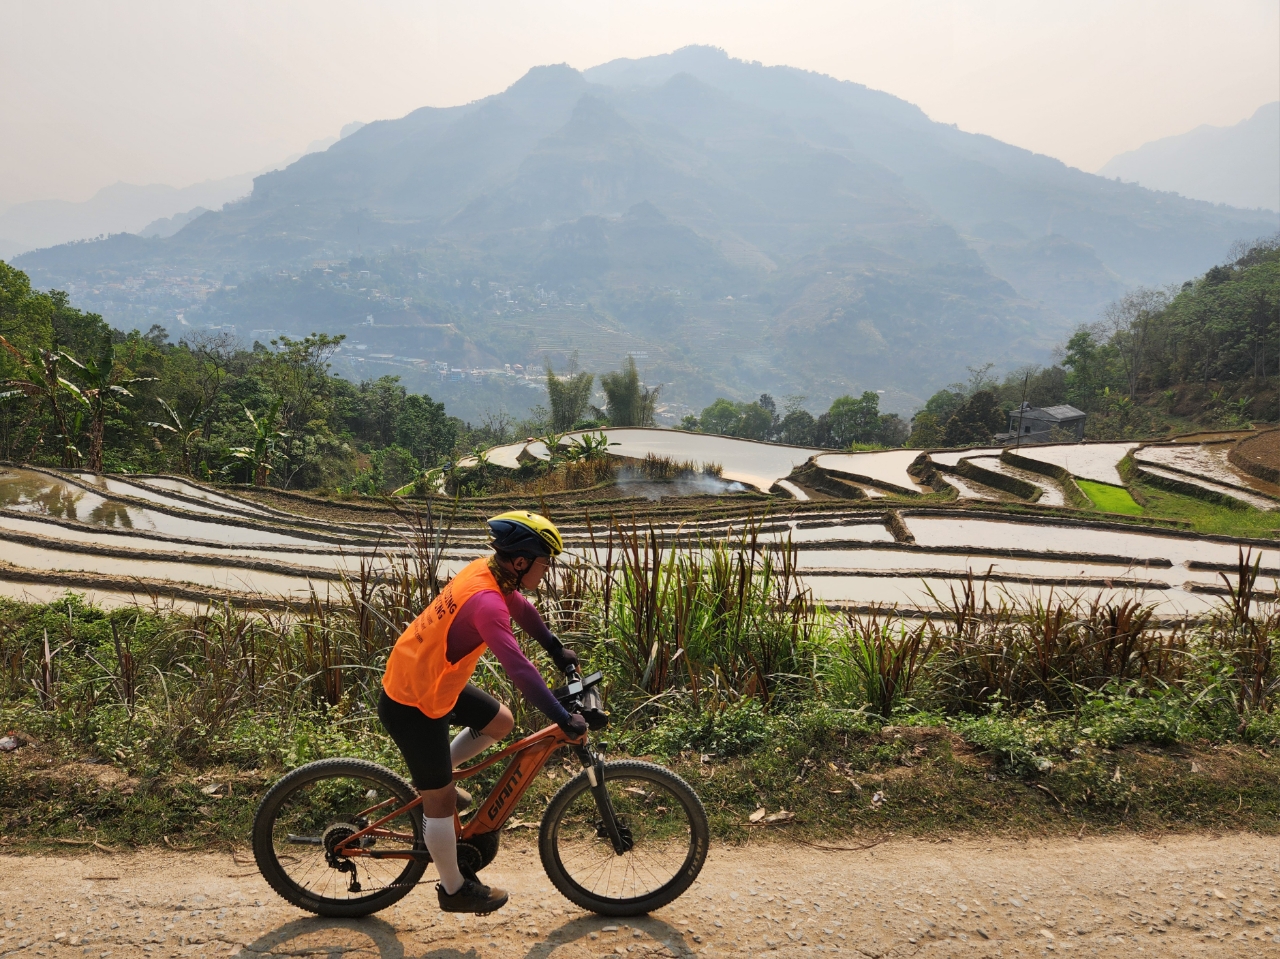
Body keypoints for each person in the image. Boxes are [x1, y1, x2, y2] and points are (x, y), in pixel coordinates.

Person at [378, 510, 587, 914]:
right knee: (439, 803)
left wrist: (555, 646)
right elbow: (520, 670)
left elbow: (521, 607)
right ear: (522, 561)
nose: (548, 570)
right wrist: (561, 717)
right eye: (545, 561)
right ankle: (454, 889)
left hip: (430, 678)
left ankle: (438, 776)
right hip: (413, 701)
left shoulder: (487, 572)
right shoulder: (487, 603)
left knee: (501, 722)